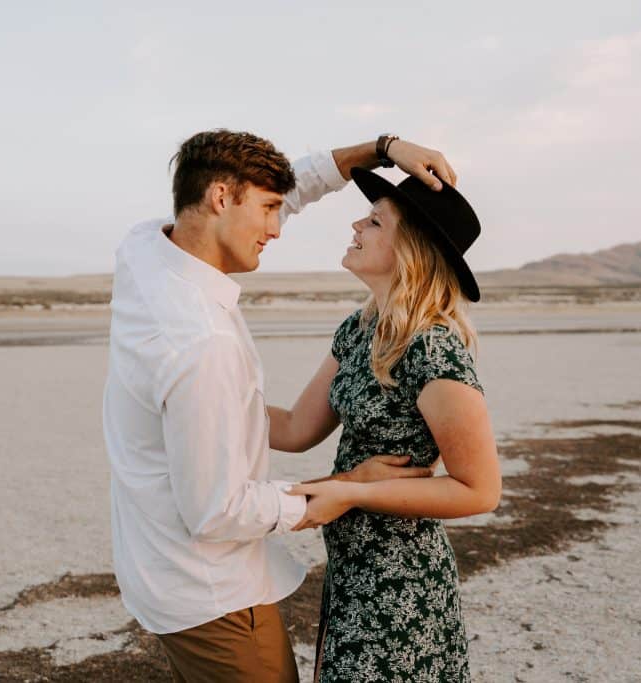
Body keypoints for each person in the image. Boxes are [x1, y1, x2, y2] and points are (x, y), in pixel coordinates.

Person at [102, 129, 458, 682]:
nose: (276, 226)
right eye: (269, 209)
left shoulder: (145, 250)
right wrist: (346, 489)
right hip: (213, 593)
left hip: (161, 574)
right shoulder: (203, 343)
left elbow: (284, 426)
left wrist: (383, 148)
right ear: (220, 198)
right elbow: (219, 511)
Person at [272, 168, 501, 681]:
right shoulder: (359, 328)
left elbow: (480, 490)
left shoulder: (433, 348)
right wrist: (202, 401)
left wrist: (355, 494)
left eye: (375, 221)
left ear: (411, 251)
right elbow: (291, 427)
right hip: (352, 573)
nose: (357, 223)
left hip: (402, 585)